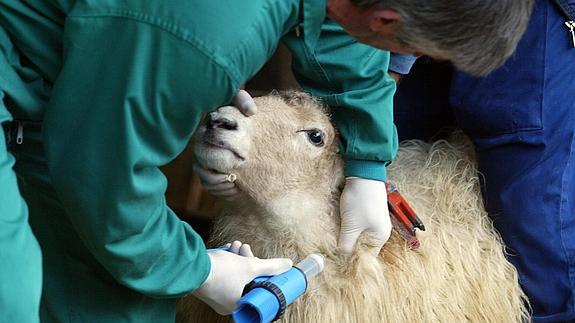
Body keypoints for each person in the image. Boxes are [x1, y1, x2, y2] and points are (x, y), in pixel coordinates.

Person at [0, 0, 532, 321]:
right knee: (12, 296)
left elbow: (337, 32)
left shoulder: (333, 5)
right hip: (30, 93)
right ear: (388, 18)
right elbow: (102, 177)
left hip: (78, 99)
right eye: (415, 49)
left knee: (124, 303)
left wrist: (369, 164)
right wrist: (199, 269)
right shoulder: (206, 37)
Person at [393, 0, 575, 321]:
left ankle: (551, 314)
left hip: (528, 13)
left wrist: (399, 55)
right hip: (420, 11)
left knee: (531, 214)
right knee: (393, 141)